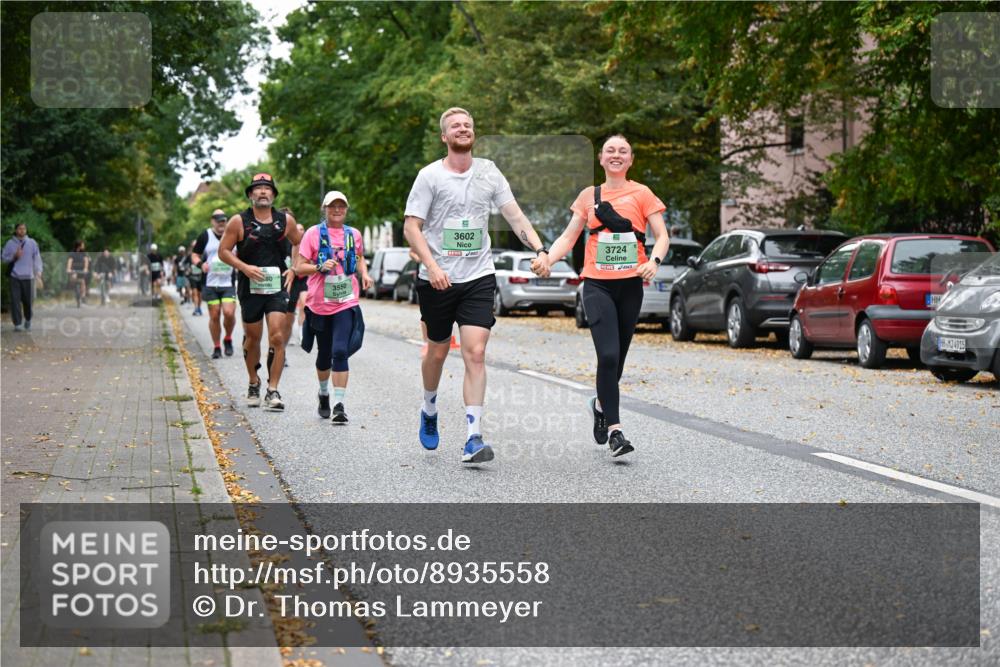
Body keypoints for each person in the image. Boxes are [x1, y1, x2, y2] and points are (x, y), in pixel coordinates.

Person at [403, 107, 549, 464]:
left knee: (476, 352)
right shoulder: (429, 176)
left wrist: (540, 248)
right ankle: (429, 406)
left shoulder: (489, 172)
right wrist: (432, 265)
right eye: (455, 126)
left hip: (478, 276)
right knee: (436, 352)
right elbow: (411, 227)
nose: (463, 128)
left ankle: (473, 436)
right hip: (437, 279)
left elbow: (514, 216)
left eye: (467, 125)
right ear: (444, 137)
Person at [534, 134, 670, 457]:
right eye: (610, 150)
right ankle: (616, 431)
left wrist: (654, 261)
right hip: (597, 285)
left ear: (631, 159)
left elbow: (662, 236)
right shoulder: (588, 197)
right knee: (607, 356)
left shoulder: (643, 193)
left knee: (617, 363)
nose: (616, 155)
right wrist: (547, 259)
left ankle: (599, 404)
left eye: (623, 151)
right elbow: (569, 237)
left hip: (630, 286)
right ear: (601, 159)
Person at [218, 172, 302, 411]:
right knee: (252, 338)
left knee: (276, 335)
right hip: (250, 288)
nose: (263, 191)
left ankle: (273, 389)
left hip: (276, 287)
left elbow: (300, 242)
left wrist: (294, 268)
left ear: (274, 195)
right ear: (250, 195)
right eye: (258, 188)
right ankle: (253, 382)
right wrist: (244, 268)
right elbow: (223, 251)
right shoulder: (239, 221)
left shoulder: (285, 221)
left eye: (268, 188)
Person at [293, 191, 373, 423]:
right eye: (332, 206)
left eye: (341, 206)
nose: (337, 210)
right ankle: (324, 393)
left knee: (340, 351)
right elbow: (299, 267)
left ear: (346, 209)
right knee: (324, 354)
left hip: (346, 301)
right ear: (324, 208)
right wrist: (318, 266)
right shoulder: (313, 234)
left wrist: (365, 274)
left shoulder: (353, 234)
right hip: (319, 304)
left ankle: (339, 405)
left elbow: (358, 257)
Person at [192, 210, 238, 359]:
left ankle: (228, 338)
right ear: (212, 221)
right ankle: (217, 346)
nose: (221, 224)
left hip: (228, 283)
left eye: (223, 221)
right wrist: (200, 264)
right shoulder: (205, 236)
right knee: (215, 315)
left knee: (229, 313)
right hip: (210, 283)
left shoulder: (233, 235)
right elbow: (194, 254)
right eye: (218, 221)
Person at [2, 222, 44, 330]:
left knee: (28, 301)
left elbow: (37, 258)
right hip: (14, 276)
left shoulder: (32, 243)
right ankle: (17, 324)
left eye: (24, 229)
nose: (22, 231)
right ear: (16, 230)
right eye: (20, 229)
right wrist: (14, 256)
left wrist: (38, 272)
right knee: (15, 301)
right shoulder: (10, 243)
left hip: (29, 277)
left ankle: (28, 319)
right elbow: (3, 258)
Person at [279, 208, 307, 348]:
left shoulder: (298, 241)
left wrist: (294, 269)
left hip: (294, 282)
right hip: (277, 282)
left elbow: (302, 260)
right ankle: (276, 350)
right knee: (277, 321)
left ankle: (281, 350)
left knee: (289, 320)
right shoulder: (275, 238)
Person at [66, 241, 90, 307]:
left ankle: (83, 296)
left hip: (81, 270)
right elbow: (70, 261)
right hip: (74, 270)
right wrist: (68, 268)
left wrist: (85, 268)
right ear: (79, 246)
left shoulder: (84, 253)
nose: (84, 246)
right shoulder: (72, 253)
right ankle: (75, 291)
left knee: (82, 281)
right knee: (73, 277)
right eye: (83, 245)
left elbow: (86, 261)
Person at [188, 238, 204, 315]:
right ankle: (196, 308)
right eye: (193, 246)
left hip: (201, 277)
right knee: (195, 293)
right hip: (193, 277)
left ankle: (199, 308)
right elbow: (184, 265)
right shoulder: (190, 256)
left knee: (200, 294)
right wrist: (187, 269)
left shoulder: (203, 255)